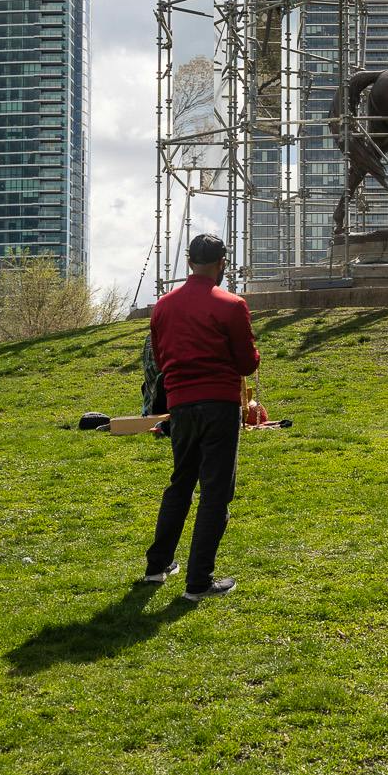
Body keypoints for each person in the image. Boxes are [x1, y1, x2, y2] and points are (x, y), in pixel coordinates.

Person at [141, 233, 259, 601]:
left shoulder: (163, 306)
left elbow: (159, 360)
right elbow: (246, 362)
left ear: (189, 262)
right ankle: (199, 582)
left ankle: (157, 567)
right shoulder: (231, 305)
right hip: (219, 403)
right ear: (222, 263)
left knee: (180, 483)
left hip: (179, 404)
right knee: (215, 493)